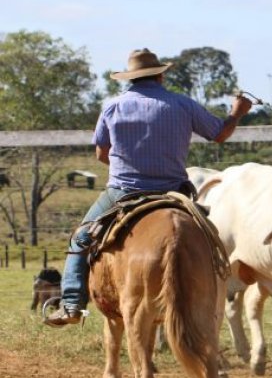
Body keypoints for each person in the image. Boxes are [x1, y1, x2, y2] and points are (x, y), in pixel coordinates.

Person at [45, 48, 252, 326]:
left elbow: (101, 153)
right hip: (174, 191)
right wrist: (236, 113)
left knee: (81, 237)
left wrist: (128, 167)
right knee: (210, 236)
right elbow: (219, 134)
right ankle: (217, 293)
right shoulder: (182, 104)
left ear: (130, 78)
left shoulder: (113, 106)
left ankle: (71, 305)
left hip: (123, 192)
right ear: (161, 76)